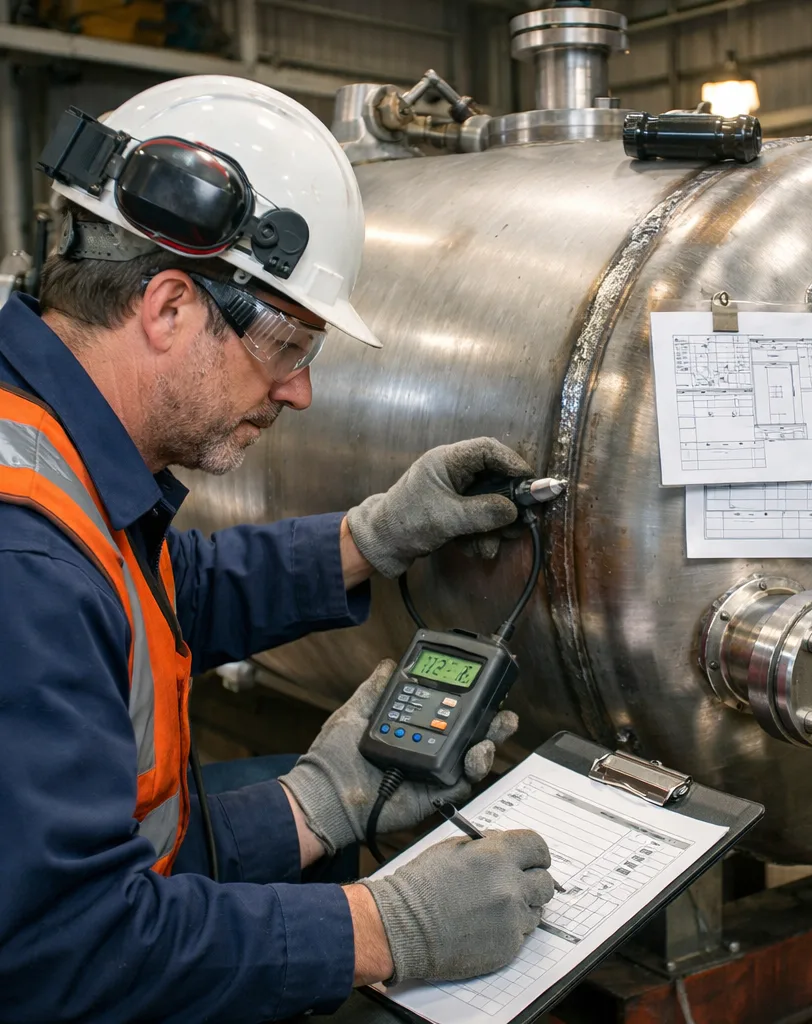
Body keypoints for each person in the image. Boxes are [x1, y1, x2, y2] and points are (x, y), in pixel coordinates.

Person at [0, 77, 555, 1023]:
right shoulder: (24, 565)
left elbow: (162, 595)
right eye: (290, 346)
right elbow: (63, 951)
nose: (298, 391)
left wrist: (372, 536)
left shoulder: (47, 445)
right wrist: (382, 930)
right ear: (169, 308)